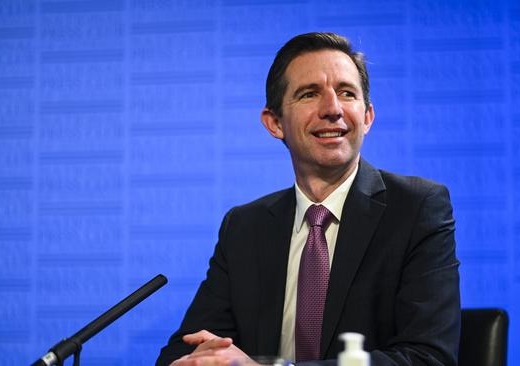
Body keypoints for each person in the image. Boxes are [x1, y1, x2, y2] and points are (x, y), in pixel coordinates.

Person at [156, 32, 460, 366]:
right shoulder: (245, 227)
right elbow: (186, 351)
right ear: (274, 123)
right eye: (309, 94)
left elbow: (428, 358)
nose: (332, 109)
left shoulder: (416, 208)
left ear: (368, 116)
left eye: (346, 93)